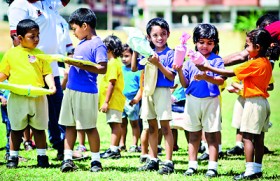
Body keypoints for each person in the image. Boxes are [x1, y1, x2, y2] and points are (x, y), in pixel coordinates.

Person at [196, 28, 280, 180]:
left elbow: (231, 73)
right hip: (263, 103)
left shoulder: (255, 63)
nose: (245, 49)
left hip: (253, 103)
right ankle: (258, 168)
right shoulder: (266, 62)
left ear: (258, 47)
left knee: (247, 137)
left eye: (247, 45)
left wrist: (207, 67)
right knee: (259, 138)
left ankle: (249, 170)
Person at [6, 0, 70, 160]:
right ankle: (12, 152)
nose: (36, 38)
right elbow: (15, 38)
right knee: (19, 115)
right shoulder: (19, 5)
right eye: (33, 36)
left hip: (50, 67)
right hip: (30, 71)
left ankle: (61, 148)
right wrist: (27, 65)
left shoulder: (47, 2)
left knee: (56, 111)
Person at [0, 19, 56, 168]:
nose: (36, 39)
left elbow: (47, 73)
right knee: (16, 129)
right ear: (20, 38)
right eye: (32, 36)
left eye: (38, 35)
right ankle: (13, 158)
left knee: (39, 129)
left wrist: (51, 85)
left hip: (38, 97)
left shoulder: (40, 54)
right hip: (17, 97)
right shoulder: (11, 54)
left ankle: (42, 157)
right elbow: (3, 74)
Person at [58, 8, 107, 172]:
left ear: (84, 25)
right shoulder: (82, 43)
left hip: (86, 92)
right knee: (69, 126)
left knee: (89, 127)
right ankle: (67, 159)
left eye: (74, 29)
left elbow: (102, 68)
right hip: (71, 91)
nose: (74, 33)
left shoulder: (98, 44)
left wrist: (79, 64)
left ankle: (95, 161)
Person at [173, 23, 225, 178]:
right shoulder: (189, 61)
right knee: (193, 135)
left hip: (211, 101)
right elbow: (184, 84)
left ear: (215, 44)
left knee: (211, 135)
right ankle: (192, 165)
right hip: (192, 101)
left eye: (210, 43)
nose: (205, 46)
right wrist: (180, 70)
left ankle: (212, 167)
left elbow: (220, 80)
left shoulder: (217, 60)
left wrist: (206, 76)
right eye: (201, 42)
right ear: (195, 42)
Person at [134, 17, 176, 175]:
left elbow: (171, 77)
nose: (160, 38)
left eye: (163, 34)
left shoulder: (170, 53)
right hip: (147, 92)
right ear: (149, 37)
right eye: (155, 35)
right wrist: (136, 48)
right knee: (151, 127)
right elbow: (133, 68)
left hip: (162, 91)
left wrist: (159, 64)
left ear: (168, 34)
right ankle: (152, 159)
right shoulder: (146, 53)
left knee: (165, 127)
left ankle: (169, 161)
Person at [99, 35, 125, 159]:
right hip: (113, 100)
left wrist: (106, 101)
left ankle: (114, 149)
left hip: (113, 100)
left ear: (109, 48)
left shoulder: (113, 63)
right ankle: (114, 148)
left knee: (115, 124)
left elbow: (112, 82)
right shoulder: (112, 63)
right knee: (113, 124)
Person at [119, 44, 142, 153]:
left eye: (127, 56)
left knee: (134, 123)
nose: (124, 59)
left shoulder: (137, 70)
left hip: (132, 101)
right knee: (122, 123)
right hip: (121, 100)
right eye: (122, 56)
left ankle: (134, 144)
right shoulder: (120, 69)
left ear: (134, 56)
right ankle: (122, 143)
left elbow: (140, 87)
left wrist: (136, 99)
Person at [0, 86, 11, 160]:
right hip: (6, 105)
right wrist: (1, 97)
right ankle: (9, 153)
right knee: (11, 130)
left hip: (14, 102)